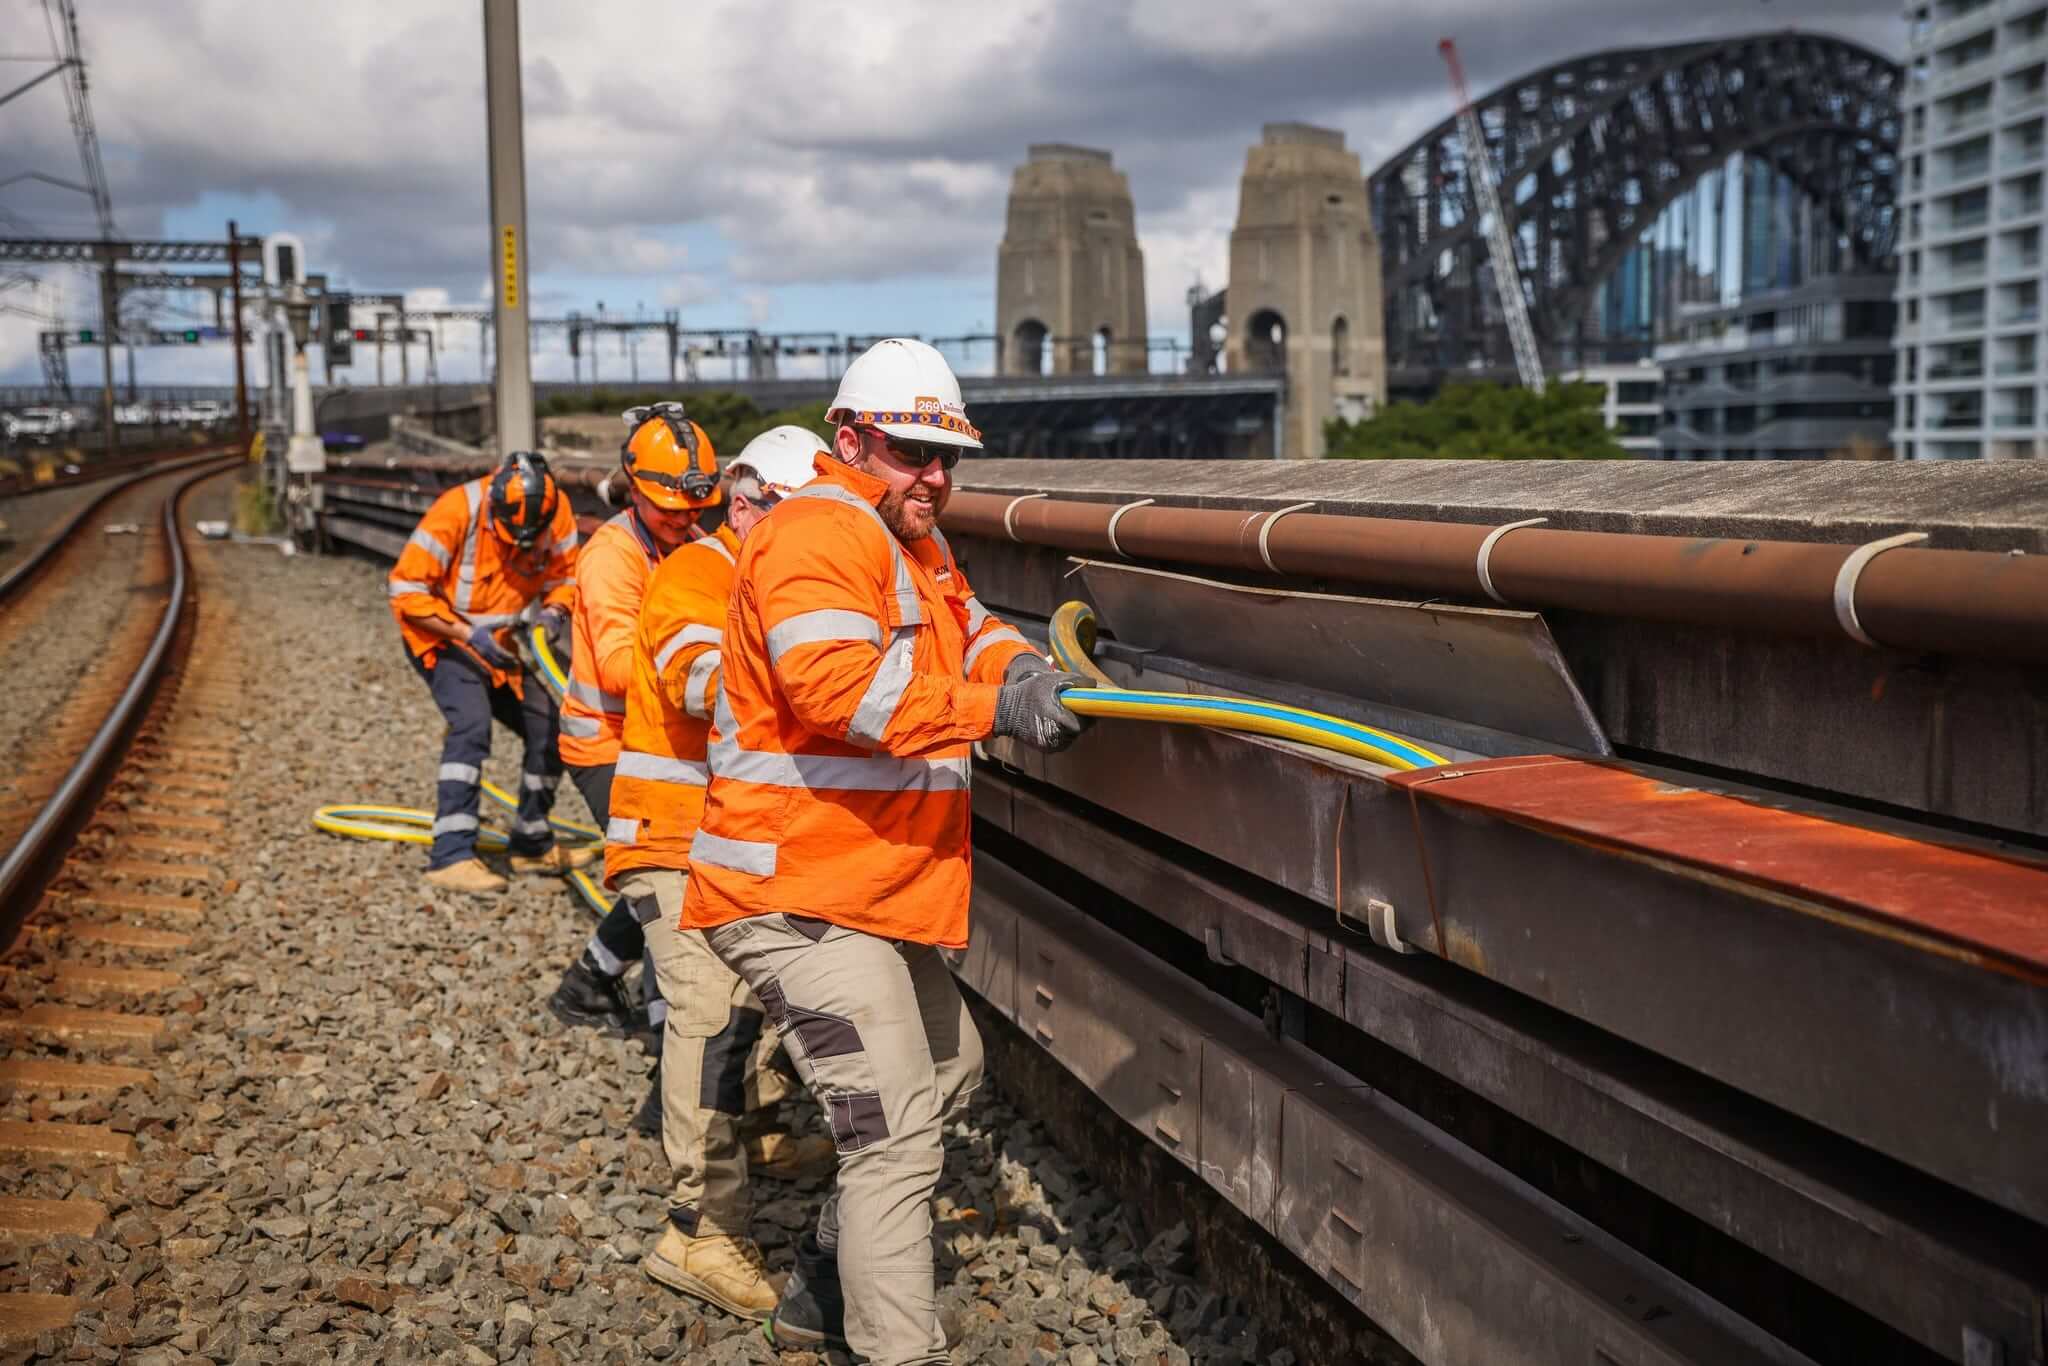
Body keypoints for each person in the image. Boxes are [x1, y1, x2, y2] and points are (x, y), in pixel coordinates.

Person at [680, 339, 1090, 1363]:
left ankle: (822, 1291)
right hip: (792, 886)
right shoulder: (816, 532)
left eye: (947, 457)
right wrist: (997, 710)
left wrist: (1038, 674)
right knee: (896, 1133)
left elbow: (971, 628)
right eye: (913, 453)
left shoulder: (909, 540)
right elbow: (836, 692)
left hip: (860, 884)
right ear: (850, 439)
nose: (936, 478)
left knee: (952, 1066)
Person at [605, 427, 841, 1318]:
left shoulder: (775, 577)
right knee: (706, 1012)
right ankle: (699, 1231)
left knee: (765, 992)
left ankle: (761, 1134)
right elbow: (700, 680)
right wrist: (823, 680)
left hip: (733, 839)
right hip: (672, 837)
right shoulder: (695, 575)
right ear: (747, 508)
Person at [548, 403, 721, 1042]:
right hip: (606, 745)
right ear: (634, 486)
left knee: (666, 877)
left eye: (693, 508)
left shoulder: (697, 545)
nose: (681, 519)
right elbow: (623, 666)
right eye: (667, 506)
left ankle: (588, 983)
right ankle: (666, 1036)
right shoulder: (611, 556)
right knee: (667, 878)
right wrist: (704, 668)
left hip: (666, 745)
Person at [387, 451, 593, 894]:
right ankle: (451, 855)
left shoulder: (555, 515)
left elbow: (568, 576)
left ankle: (531, 844)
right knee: (471, 724)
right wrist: (466, 632)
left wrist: (555, 611)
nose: (520, 546)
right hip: (441, 637)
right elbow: (405, 589)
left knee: (549, 727)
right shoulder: (457, 509)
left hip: (496, 644)